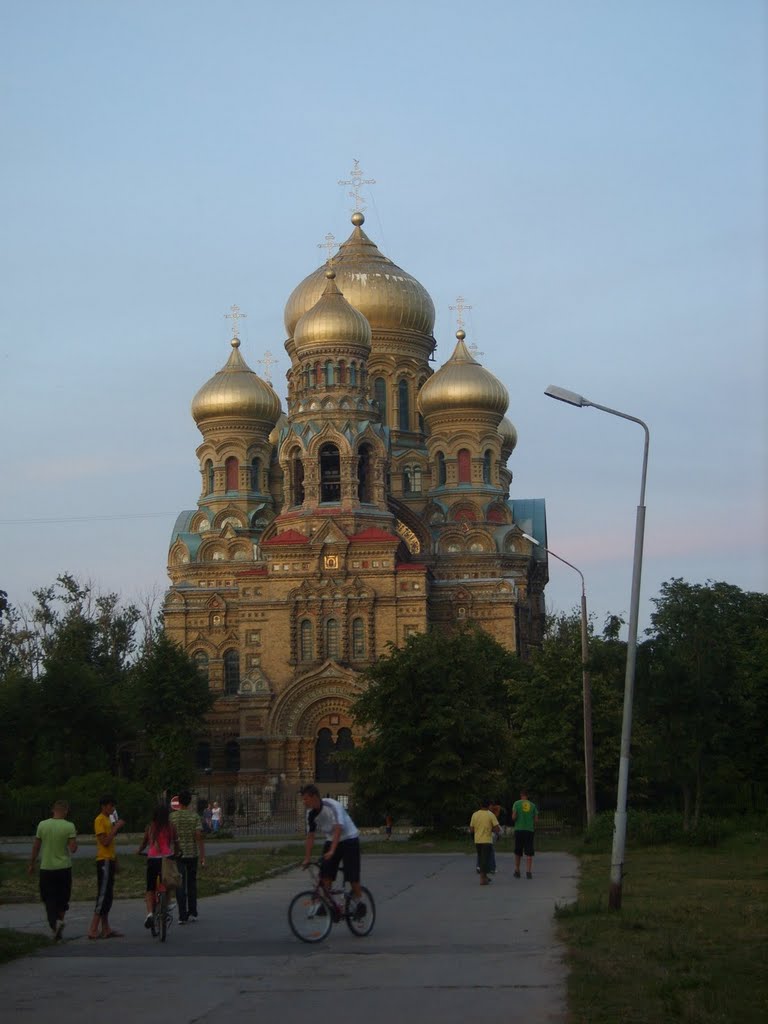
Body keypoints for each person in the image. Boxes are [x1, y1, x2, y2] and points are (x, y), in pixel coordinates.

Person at [300, 785, 364, 909]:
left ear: (314, 797)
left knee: (352, 876)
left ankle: (359, 901)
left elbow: (338, 828)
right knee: (325, 874)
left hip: (349, 839)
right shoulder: (310, 814)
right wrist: (307, 858)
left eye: (306, 799)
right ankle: (328, 905)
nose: (304, 802)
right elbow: (310, 836)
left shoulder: (332, 805)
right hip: (331, 840)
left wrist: (332, 850)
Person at [28, 799, 78, 940]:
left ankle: (54, 925)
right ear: (66, 811)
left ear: (53, 810)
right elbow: (73, 849)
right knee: (63, 897)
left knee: (48, 897)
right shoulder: (69, 826)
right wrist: (74, 838)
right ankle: (60, 920)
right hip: (64, 868)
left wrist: (32, 863)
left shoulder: (42, 825)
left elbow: (36, 846)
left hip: (47, 867)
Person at [87, 794, 125, 940]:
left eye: (113, 806)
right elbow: (105, 842)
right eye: (110, 806)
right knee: (103, 895)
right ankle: (93, 928)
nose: (112, 808)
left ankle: (106, 928)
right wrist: (116, 828)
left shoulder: (108, 820)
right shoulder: (99, 820)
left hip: (109, 860)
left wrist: (116, 861)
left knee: (108, 895)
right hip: (103, 861)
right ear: (103, 806)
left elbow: (111, 845)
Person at [137, 803, 180, 928]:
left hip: (152, 859)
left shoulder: (151, 827)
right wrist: (176, 854)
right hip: (167, 858)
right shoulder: (171, 826)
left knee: (150, 888)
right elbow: (176, 843)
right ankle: (166, 904)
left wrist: (139, 851)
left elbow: (144, 843)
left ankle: (150, 914)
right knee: (168, 882)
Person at [171, 790, 206, 923]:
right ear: (190, 801)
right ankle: (192, 912)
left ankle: (182, 915)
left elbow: (170, 835)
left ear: (178, 801)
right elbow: (198, 836)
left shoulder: (172, 817)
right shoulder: (194, 816)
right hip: (192, 853)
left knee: (180, 884)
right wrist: (203, 855)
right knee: (191, 883)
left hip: (177, 853)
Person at [470, 798, 500, 885]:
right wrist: (492, 829)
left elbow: (471, 829)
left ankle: (485, 876)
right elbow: (497, 829)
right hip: (487, 840)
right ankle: (482, 879)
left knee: (481, 858)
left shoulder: (475, 814)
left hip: (477, 840)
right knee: (485, 860)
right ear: (489, 806)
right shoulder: (490, 815)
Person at [512, 788, 539, 879]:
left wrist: (516, 819)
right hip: (529, 830)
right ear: (527, 796)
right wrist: (532, 825)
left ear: (521, 795)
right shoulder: (533, 805)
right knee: (529, 851)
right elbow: (536, 820)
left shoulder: (516, 803)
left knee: (518, 851)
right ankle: (528, 872)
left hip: (519, 829)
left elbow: (514, 817)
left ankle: (517, 870)